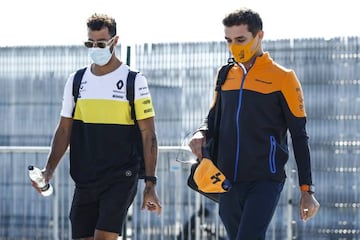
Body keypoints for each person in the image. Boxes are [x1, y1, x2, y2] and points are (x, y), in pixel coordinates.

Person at [188, 8, 319, 240]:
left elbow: (299, 136)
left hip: (265, 180)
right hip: (225, 180)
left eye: (240, 40)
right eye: (228, 40)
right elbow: (212, 117)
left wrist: (306, 190)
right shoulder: (224, 75)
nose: (234, 46)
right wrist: (200, 132)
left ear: (259, 36)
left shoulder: (284, 78)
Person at [31, 13, 161, 240]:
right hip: (86, 178)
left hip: (121, 175)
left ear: (115, 41)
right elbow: (64, 130)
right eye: (89, 43)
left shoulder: (134, 80)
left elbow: (149, 135)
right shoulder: (76, 80)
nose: (94, 48)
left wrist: (150, 184)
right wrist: (48, 171)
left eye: (100, 43)